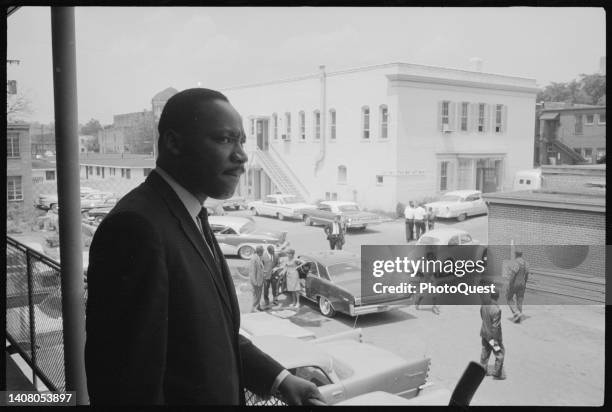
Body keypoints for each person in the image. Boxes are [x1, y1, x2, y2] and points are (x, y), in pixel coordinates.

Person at [85, 88, 324, 405]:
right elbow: (125, 382)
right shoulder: (136, 228)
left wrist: (280, 379)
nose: (240, 155)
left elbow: (208, 336)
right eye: (225, 140)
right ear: (174, 143)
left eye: (241, 141)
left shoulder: (191, 213)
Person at [479, 280, 505, 380]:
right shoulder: (496, 310)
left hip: (484, 334)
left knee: (485, 353)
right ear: (497, 297)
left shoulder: (484, 304)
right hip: (492, 338)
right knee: (499, 353)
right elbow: (496, 327)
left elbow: (481, 315)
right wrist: (496, 341)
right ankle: (497, 372)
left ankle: (482, 370)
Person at [506, 250, 530, 323]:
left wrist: (510, 285)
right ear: (521, 254)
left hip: (515, 284)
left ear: (516, 255)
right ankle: (518, 318)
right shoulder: (526, 263)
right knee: (520, 300)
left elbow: (513, 276)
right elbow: (527, 276)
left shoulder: (515, 263)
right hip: (522, 284)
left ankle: (516, 313)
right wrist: (524, 284)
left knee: (509, 298)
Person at [249, 246, 265, 312]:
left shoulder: (258, 257)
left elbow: (260, 268)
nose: (263, 253)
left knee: (259, 294)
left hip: (260, 280)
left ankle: (258, 306)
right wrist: (254, 282)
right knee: (256, 295)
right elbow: (252, 271)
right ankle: (254, 308)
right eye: (262, 251)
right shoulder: (254, 259)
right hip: (256, 281)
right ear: (260, 251)